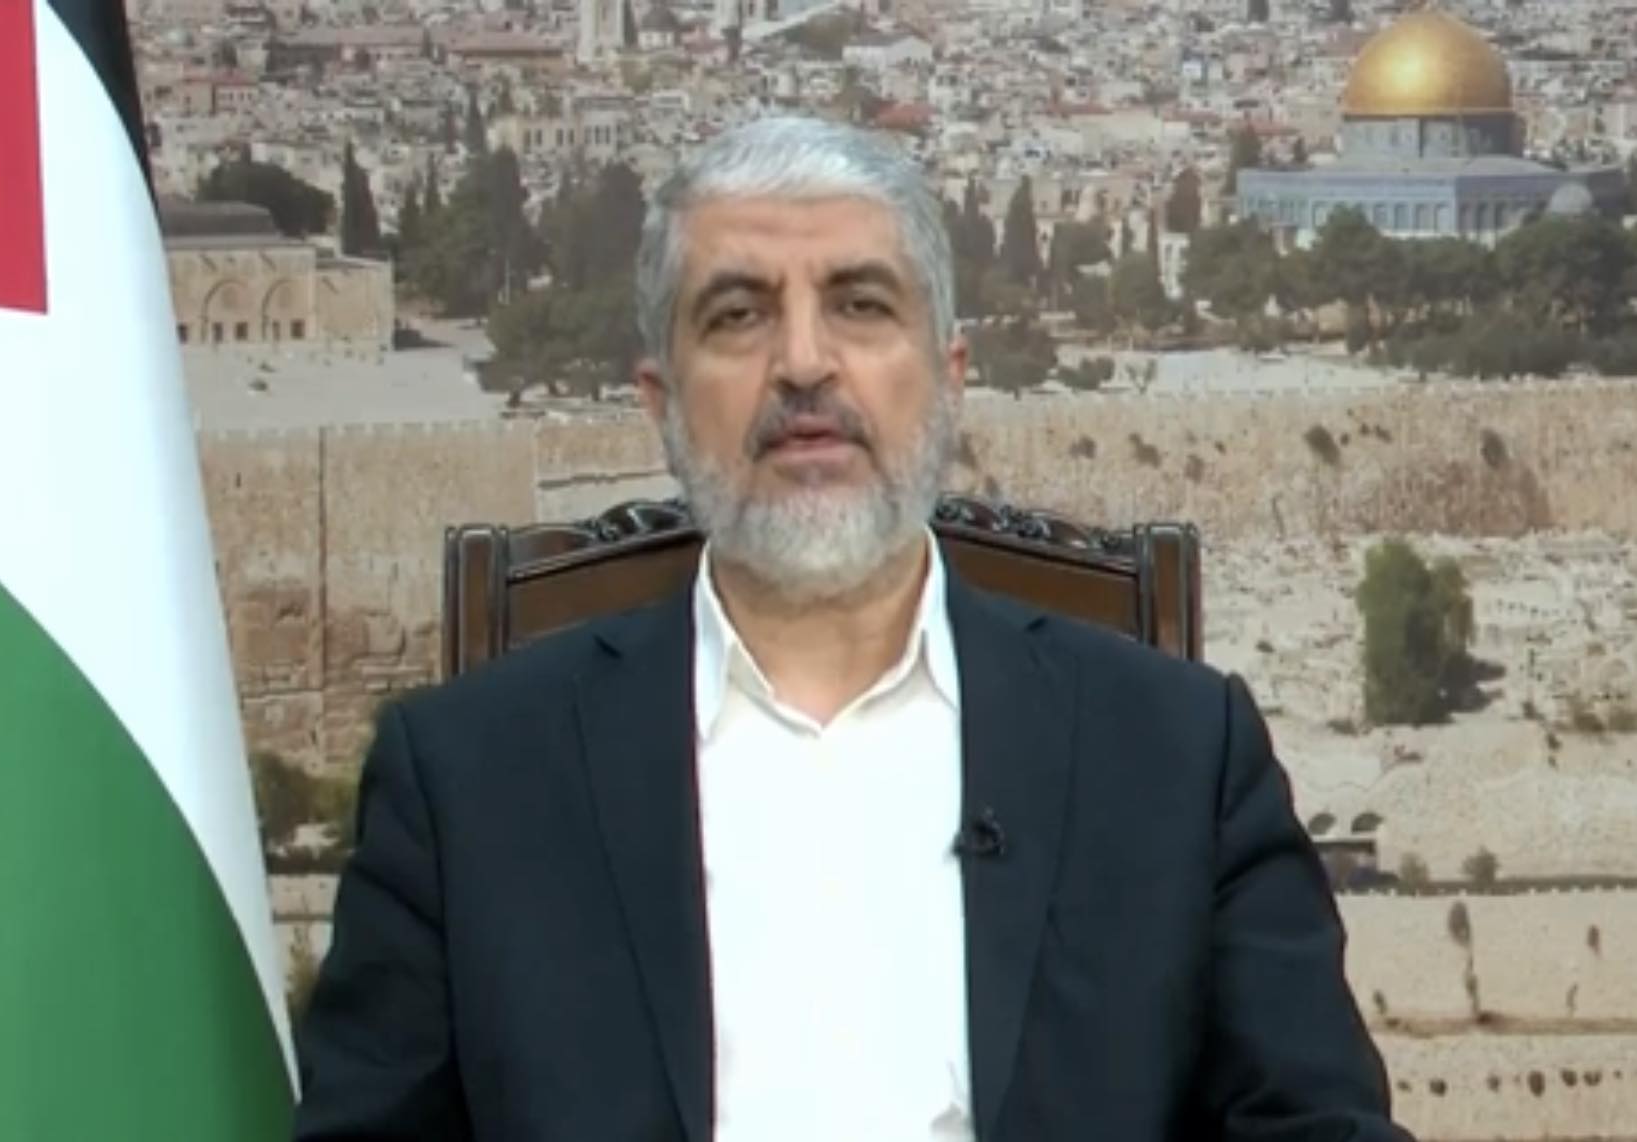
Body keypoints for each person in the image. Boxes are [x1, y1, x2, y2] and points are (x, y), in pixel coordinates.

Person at [293, 116, 1412, 1141]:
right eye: (737, 315)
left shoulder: (1174, 757)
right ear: (660, 401)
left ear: (949, 377)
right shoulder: (468, 783)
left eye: (860, 305)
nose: (802, 363)